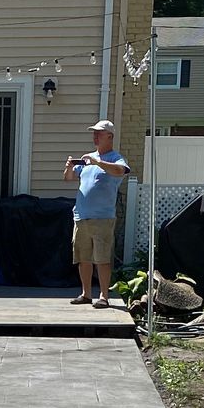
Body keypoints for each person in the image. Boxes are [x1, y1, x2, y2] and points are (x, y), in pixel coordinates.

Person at [64, 120, 132, 308]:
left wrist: (98, 162)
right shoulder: (87, 159)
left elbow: (121, 171)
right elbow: (69, 178)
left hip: (103, 218)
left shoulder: (115, 158)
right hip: (81, 217)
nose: (95, 136)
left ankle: (103, 296)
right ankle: (86, 294)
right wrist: (69, 167)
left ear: (109, 137)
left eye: (99, 133)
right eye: (94, 133)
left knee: (102, 259)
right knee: (83, 258)